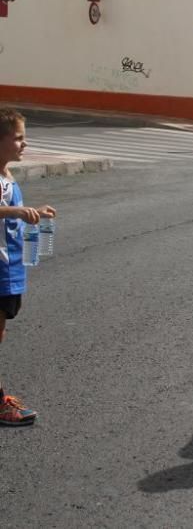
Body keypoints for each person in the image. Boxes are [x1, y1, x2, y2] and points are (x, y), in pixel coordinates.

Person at [0, 108, 57, 427]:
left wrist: (31, 213)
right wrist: (18, 211)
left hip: (10, 269)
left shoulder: (7, 177)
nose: (25, 144)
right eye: (18, 137)